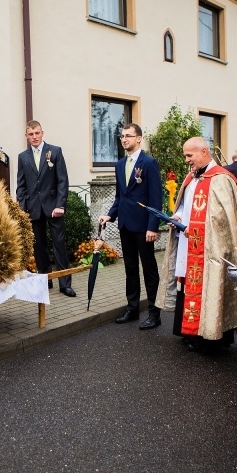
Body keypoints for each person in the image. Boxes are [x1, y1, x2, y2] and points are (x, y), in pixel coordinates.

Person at [156, 137, 237, 352]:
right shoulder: (192, 178)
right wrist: (178, 217)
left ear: (204, 152)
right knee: (187, 285)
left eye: (190, 155)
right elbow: (185, 206)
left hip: (211, 250)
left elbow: (224, 221)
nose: (187, 160)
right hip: (189, 244)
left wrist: (196, 229)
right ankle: (189, 332)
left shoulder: (222, 179)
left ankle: (211, 339)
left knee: (210, 287)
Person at [99, 123, 162, 330]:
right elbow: (120, 197)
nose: (124, 139)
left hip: (144, 227)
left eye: (129, 136)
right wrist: (109, 215)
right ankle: (132, 308)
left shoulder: (149, 163)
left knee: (149, 269)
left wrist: (153, 226)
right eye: (122, 136)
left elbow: (156, 198)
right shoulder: (120, 165)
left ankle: (154, 313)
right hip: (125, 225)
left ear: (139, 139)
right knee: (130, 268)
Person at [16, 120, 76, 297]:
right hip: (33, 208)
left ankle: (65, 283)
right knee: (39, 246)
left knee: (59, 244)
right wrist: (22, 207)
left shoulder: (55, 151)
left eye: (37, 133)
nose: (34, 137)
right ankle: (44, 279)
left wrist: (60, 205)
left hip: (53, 207)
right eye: (31, 134)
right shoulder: (23, 157)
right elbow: (21, 185)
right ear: (26, 136)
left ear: (42, 133)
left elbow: (62, 181)